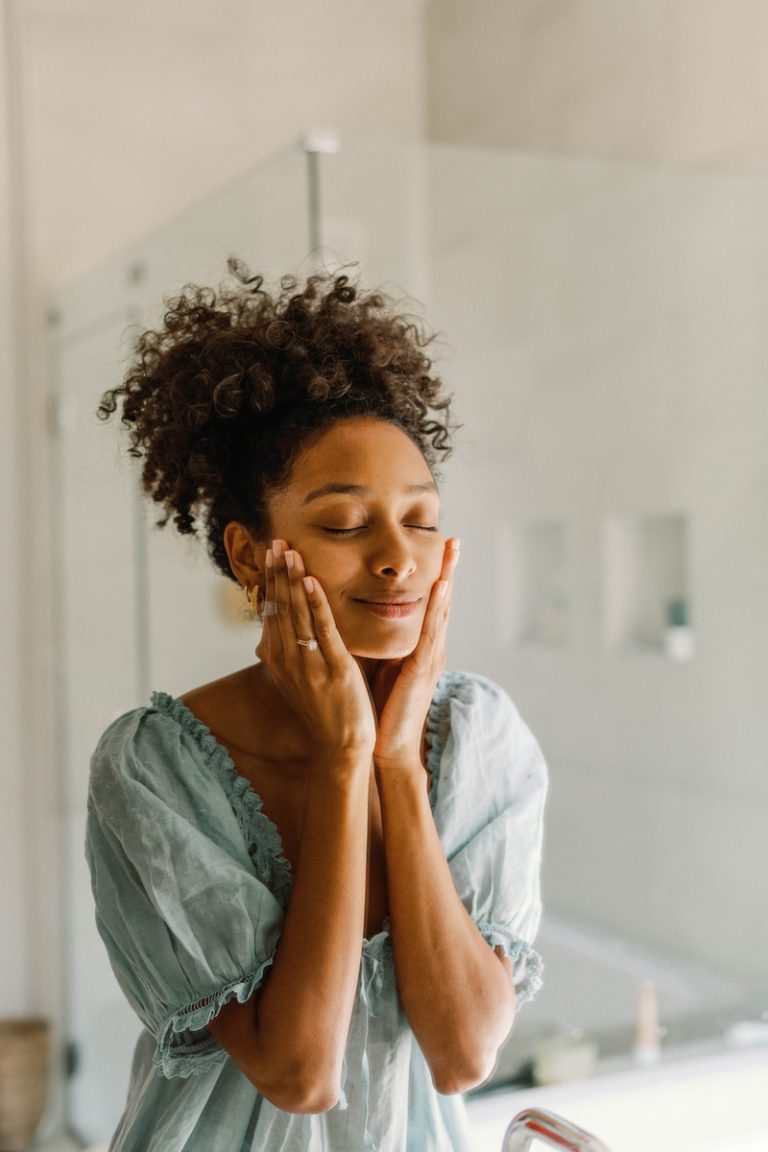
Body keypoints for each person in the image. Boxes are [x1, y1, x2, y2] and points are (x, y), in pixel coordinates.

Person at [85, 261, 548, 1152]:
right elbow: (299, 1073)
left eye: (420, 519)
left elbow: (462, 1053)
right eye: (344, 525)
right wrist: (344, 763)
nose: (397, 559)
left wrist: (398, 764)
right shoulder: (151, 766)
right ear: (252, 553)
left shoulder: (479, 736)